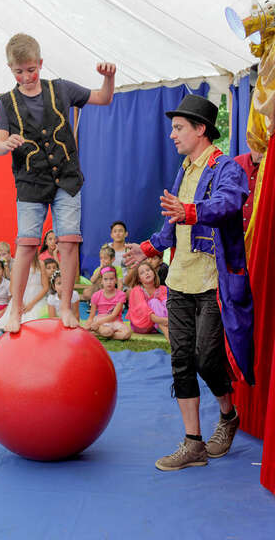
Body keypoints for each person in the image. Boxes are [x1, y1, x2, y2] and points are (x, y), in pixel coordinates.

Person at [125, 94, 254, 471]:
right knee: (182, 360)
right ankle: (193, 442)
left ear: (200, 129)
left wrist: (191, 210)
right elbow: (172, 227)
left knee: (207, 357)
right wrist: (146, 248)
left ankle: (228, 416)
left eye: (178, 128)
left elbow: (230, 204)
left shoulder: (226, 168)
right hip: (179, 280)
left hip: (214, 282)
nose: (172, 135)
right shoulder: (184, 169)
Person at [0, 33, 116, 332]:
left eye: (31, 69)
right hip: (30, 183)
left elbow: (103, 98)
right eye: (19, 71)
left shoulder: (60, 89)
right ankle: (16, 310)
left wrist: (108, 79)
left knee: (69, 241)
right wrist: (6, 141)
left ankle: (64, 307)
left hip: (67, 179)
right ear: (11, 69)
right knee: (26, 244)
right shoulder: (7, 103)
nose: (26, 76)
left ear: (41, 63)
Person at [0, 252, 49, 330]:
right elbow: (12, 288)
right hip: (20, 298)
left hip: (36, 299)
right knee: (12, 322)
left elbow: (45, 287)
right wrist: (19, 301)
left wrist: (32, 304)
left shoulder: (40, 264)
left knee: (34, 322)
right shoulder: (16, 265)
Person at [84, 266, 131, 340]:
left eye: (111, 279)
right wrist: (89, 324)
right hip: (100, 321)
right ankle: (104, 333)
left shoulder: (121, 295)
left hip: (115, 321)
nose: (109, 282)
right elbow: (91, 316)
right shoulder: (96, 295)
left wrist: (96, 325)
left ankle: (99, 334)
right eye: (105, 279)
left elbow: (113, 315)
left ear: (115, 280)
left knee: (127, 334)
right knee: (107, 331)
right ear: (101, 281)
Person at [127, 261, 169, 340]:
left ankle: (170, 327)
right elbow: (145, 312)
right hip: (141, 324)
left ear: (153, 272)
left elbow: (168, 306)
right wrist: (166, 321)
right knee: (154, 302)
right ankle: (169, 334)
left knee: (166, 302)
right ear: (139, 279)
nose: (146, 273)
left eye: (148, 270)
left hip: (157, 324)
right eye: (142, 272)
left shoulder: (162, 288)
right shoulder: (137, 290)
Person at [234, 143, 263, 232]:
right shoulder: (236, 163)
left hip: (259, 232)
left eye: (263, 148)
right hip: (236, 231)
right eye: (257, 146)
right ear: (249, 143)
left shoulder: (270, 166)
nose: (260, 153)